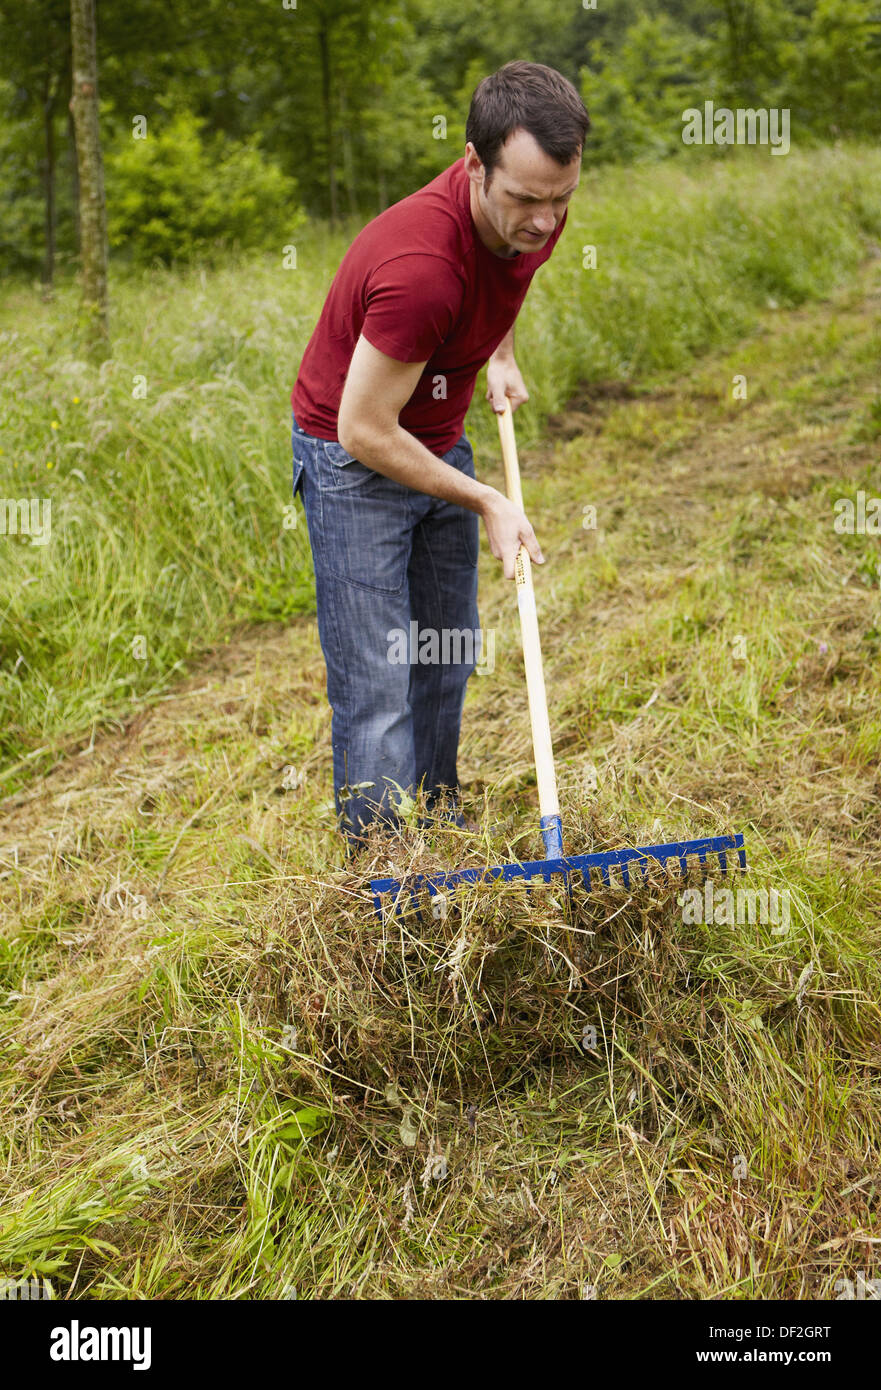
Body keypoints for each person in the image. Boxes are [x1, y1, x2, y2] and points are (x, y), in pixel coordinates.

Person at [290, 60, 589, 846]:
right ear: (472, 166)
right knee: (378, 682)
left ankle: (436, 819)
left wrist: (497, 353)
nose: (545, 222)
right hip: (353, 457)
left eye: (560, 198)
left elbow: (505, 276)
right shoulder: (419, 269)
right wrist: (485, 497)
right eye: (524, 199)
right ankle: (384, 878)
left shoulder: (533, 210)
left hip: (432, 433)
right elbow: (362, 429)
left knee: (444, 654)